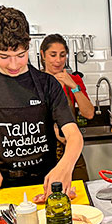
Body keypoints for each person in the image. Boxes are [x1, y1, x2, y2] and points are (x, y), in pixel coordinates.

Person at [0, 5, 83, 196]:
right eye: (4, 56)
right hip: (0, 185)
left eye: (20, 55)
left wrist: (64, 167)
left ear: (28, 46)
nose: (13, 64)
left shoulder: (47, 84)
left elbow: (74, 135)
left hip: (46, 184)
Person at [39, 33, 93, 181]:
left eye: (62, 55)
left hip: (71, 149)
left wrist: (74, 86)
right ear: (43, 55)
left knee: (80, 191)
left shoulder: (74, 80)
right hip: (43, 152)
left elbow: (89, 113)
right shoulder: (36, 82)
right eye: (53, 55)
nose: (58, 60)